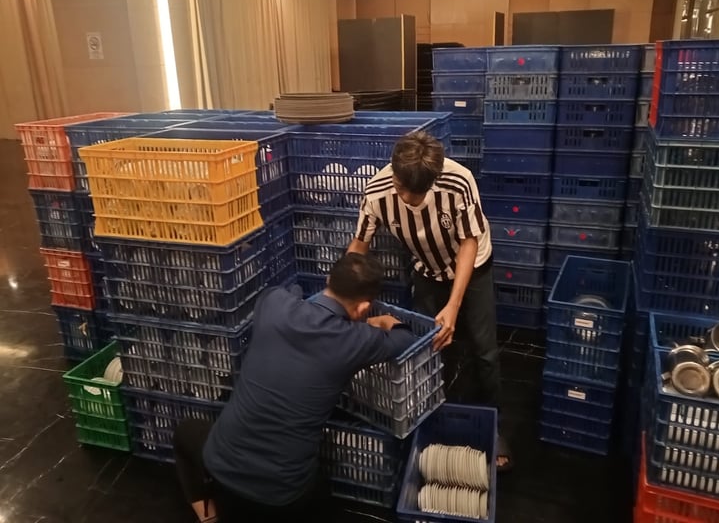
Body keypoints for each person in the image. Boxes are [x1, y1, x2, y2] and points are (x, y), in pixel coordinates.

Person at [173, 252, 417, 523]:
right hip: (281, 495)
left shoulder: (273, 304)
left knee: (186, 432)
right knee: (316, 480)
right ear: (363, 308)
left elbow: (292, 290)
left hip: (221, 469)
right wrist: (383, 322)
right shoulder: (355, 339)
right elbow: (405, 338)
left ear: (328, 280)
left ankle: (208, 517)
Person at [347, 130, 511, 470]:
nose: (408, 199)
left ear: (434, 179)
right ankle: (431, 415)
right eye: (402, 189)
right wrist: (339, 294)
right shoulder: (377, 192)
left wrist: (453, 305)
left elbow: (469, 242)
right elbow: (359, 245)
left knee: (484, 350)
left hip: (472, 266)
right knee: (428, 347)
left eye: (417, 193)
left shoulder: (459, 181)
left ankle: (495, 424)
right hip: (426, 268)